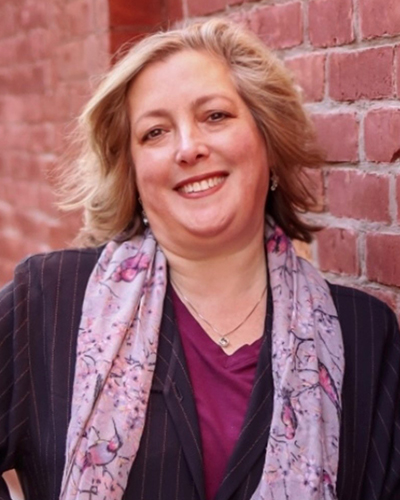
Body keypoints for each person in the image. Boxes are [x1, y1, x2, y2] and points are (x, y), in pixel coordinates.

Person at [0, 18, 399, 500]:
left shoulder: (362, 335)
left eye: (215, 116)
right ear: (132, 173)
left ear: (269, 141)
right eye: (155, 132)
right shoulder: (49, 302)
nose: (189, 149)